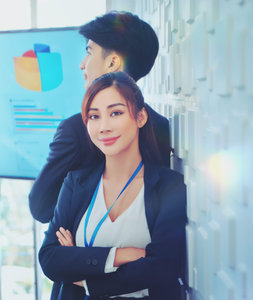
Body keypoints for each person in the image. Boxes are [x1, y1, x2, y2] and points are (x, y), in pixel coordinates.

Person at [39, 72, 187, 299]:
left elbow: (162, 268)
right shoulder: (76, 184)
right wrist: (122, 255)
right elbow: (50, 258)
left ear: (140, 117)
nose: (103, 127)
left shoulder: (169, 187)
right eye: (94, 116)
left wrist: (81, 269)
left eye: (115, 113)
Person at [29, 11, 171, 223]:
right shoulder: (161, 126)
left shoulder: (77, 129)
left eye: (89, 52)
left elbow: (41, 207)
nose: (82, 64)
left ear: (112, 63)